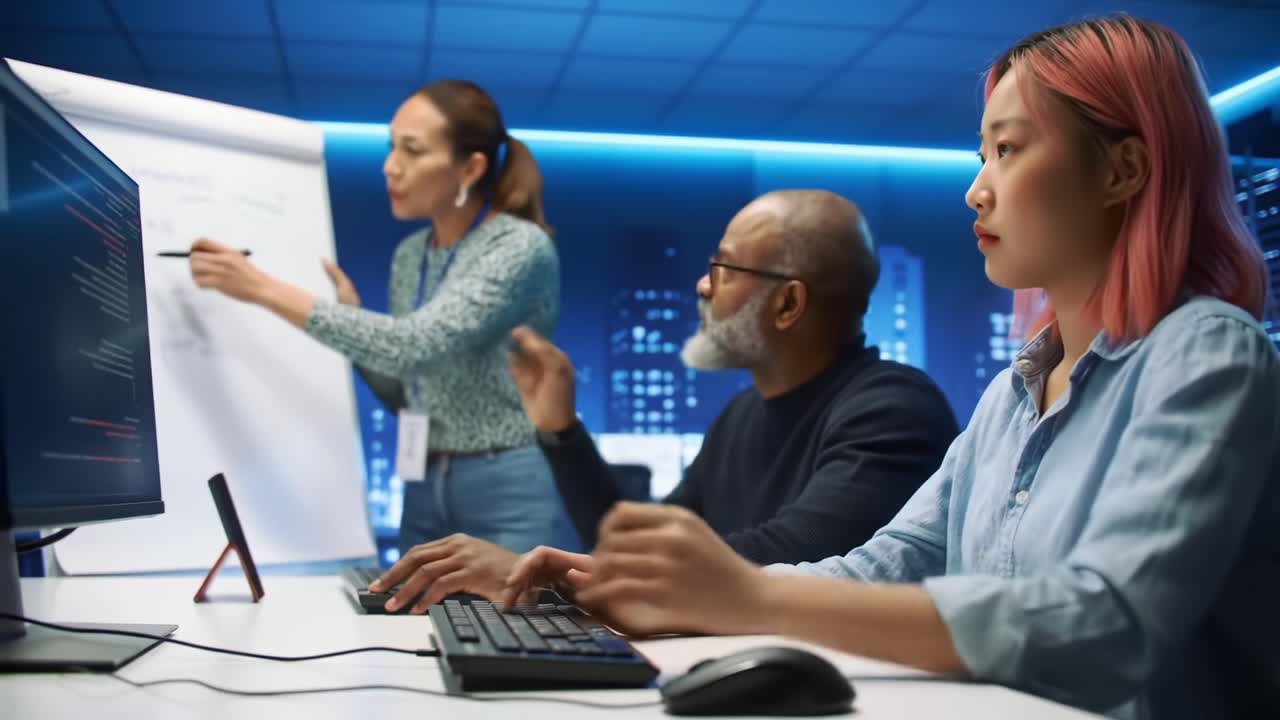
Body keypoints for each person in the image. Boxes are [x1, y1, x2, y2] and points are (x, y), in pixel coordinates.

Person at [501, 16, 1280, 720]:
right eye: (984, 154)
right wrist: (656, 593)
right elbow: (890, 564)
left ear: (1123, 170)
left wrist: (746, 595)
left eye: (1008, 150)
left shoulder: (1205, 352)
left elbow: (1104, 624)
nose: (977, 190)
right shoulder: (1013, 393)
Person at [368, 189, 959, 614]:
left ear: (787, 305)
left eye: (722, 269)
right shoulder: (741, 415)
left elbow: (791, 557)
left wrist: (552, 578)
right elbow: (635, 542)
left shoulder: (893, 410)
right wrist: (560, 428)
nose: (703, 286)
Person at [187, 79, 576, 557]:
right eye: (392, 147)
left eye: (412, 151)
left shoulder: (518, 245)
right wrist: (352, 323)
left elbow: (414, 343)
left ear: (470, 167)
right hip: (422, 480)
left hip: (505, 484)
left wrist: (261, 288)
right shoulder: (411, 255)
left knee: (510, 627)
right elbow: (404, 386)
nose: (390, 167)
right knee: (419, 625)